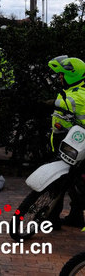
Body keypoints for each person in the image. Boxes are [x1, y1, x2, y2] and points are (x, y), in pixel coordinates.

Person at [48, 55, 85, 228]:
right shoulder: (73, 90)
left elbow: (58, 105)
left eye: (62, 74)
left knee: (59, 182)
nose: (60, 77)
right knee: (72, 183)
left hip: (71, 144)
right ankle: (76, 216)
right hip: (69, 141)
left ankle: (52, 218)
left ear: (73, 75)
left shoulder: (77, 95)